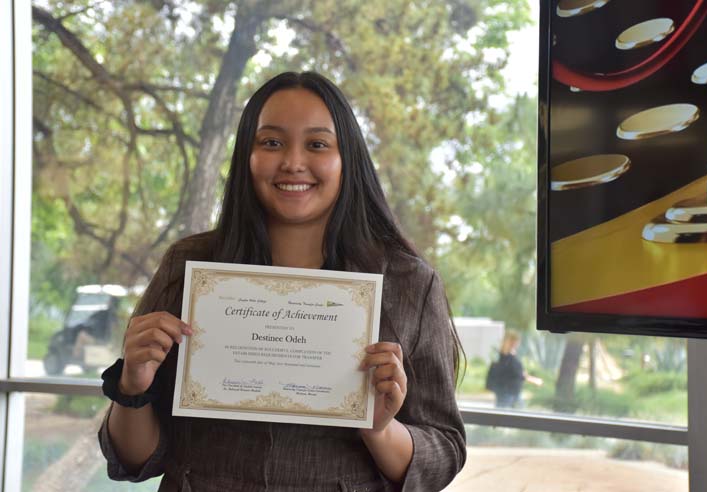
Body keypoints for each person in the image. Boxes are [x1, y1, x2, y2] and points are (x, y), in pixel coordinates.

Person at [98, 71, 466, 491]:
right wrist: (133, 384)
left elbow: (444, 453)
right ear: (246, 157)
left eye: (317, 144)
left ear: (347, 158)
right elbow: (133, 458)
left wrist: (379, 428)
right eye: (271, 142)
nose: (293, 162)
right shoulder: (189, 266)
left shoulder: (408, 284)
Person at [485, 331, 542, 408]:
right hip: (506, 393)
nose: (518, 344)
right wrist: (532, 379)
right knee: (504, 415)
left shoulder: (510, 355)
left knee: (518, 414)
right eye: (516, 341)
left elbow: (518, 372)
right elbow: (516, 373)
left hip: (513, 392)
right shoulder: (505, 356)